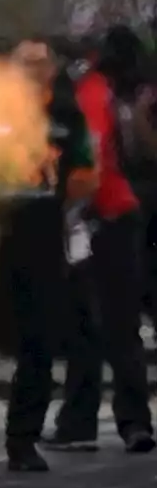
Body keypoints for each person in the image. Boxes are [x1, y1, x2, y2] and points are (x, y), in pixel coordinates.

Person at [0, 36, 97, 473]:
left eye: (39, 62)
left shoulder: (66, 115)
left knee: (39, 343)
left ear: (51, 69)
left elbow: (85, 172)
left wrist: (68, 214)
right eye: (23, 61)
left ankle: (22, 442)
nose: (31, 69)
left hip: (42, 239)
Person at [50, 26, 156, 453]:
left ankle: (89, 422)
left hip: (101, 217)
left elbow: (90, 162)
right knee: (114, 324)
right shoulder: (115, 90)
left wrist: (72, 217)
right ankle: (125, 423)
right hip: (119, 213)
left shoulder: (89, 92)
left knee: (93, 324)